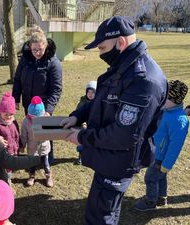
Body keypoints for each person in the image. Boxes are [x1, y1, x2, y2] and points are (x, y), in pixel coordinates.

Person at [60, 16, 167, 225]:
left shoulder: (143, 80)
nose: (100, 53)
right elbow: (103, 98)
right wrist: (78, 115)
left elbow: (123, 135)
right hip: (107, 156)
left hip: (118, 160)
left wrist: (82, 137)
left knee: (100, 216)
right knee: (100, 208)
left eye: (102, 47)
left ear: (120, 42)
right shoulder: (124, 66)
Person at [134, 80, 189, 211]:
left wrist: (166, 165)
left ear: (175, 100)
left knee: (150, 178)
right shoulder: (166, 109)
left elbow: (175, 146)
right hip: (155, 151)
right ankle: (161, 197)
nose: (162, 99)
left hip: (160, 157)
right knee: (161, 178)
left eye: (166, 97)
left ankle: (150, 201)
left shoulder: (179, 120)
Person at [12, 26, 62, 164]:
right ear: (29, 47)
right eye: (34, 49)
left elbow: (56, 89)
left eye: (40, 49)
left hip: (44, 107)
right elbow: (17, 79)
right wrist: (16, 98)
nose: (37, 52)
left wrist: (48, 110)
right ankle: (33, 159)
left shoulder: (54, 63)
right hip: (29, 105)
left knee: (46, 133)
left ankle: (47, 159)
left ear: (46, 46)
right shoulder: (25, 59)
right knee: (31, 131)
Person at [20, 96, 52, 187]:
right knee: (32, 164)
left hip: (44, 146)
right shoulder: (26, 122)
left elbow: (51, 133)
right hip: (32, 147)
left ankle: (48, 175)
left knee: (45, 163)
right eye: (33, 118)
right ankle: (31, 176)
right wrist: (22, 145)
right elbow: (24, 135)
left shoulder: (46, 120)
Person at [0, 92, 21, 185]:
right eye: (6, 114)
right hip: (4, 153)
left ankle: (8, 178)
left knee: (10, 169)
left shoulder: (13, 122)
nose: (8, 117)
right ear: (0, 112)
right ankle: (7, 184)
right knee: (5, 171)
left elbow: (17, 135)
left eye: (11, 114)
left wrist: (19, 146)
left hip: (13, 150)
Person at [75, 81, 97, 165]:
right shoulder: (83, 102)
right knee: (81, 142)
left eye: (93, 92)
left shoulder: (97, 103)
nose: (90, 94)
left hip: (93, 126)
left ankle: (91, 156)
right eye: (89, 92)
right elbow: (78, 114)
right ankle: (80, 156)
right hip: (83, 126)